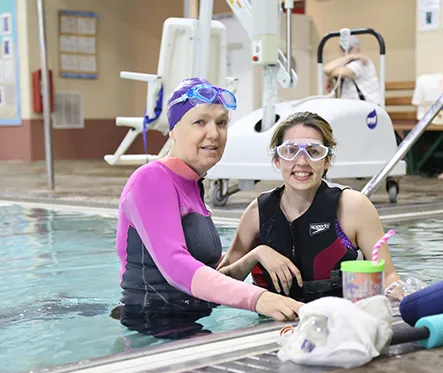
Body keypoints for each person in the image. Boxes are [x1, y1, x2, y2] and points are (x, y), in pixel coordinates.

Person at [114, 77, 302, 338]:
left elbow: (207, 280)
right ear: (174, 130)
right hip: (149, 329)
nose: (214, 133)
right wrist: (258, 298)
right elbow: (176, 267)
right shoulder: (152, 180)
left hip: (187, 323)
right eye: (200, 122)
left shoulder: (192, 185)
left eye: (222, 123)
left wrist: (256, 254)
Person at [217, 111, 401, 302]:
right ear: (277, 160)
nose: (302, 162)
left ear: (327, 160)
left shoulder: (352, 207)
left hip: (341, 322)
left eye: (314, 152)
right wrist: (256, 254)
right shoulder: (258, 213)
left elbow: (388, 277)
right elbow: (218, 283)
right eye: (290, 151)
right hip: (273, 326)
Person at [323, 36, 381, 105]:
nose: (345, 52)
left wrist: (329, 74)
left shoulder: (361, 63)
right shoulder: (348, 62)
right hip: (353, 107)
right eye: (343, 49)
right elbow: (327, 69)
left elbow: (327, 69)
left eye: (349, 49)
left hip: (368, 108)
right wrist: (350, 57)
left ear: (357, 48)